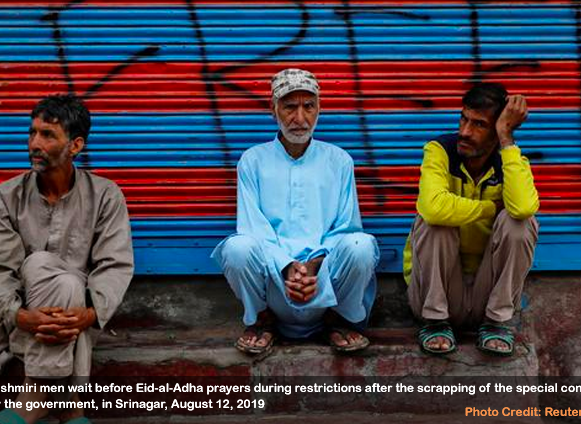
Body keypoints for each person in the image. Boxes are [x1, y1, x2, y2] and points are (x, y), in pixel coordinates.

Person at [0, 94, 133, 424]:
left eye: (48, 135)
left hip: (75, 317)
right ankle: (70, 407)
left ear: (75, 145)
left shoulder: (105, 195)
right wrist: (21, 317)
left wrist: (89, 314)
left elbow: (114, 265)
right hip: (25, 315)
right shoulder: (4, 197)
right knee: (42, 268)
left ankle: (32, 399)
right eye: (32, 133)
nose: (35, 143)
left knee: (66, 281)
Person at [212, 68, 378, 355]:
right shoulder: (253, 161)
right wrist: (288, 268)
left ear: (319, 109)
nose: (300, 119)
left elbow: (345, 228)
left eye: (308, 107)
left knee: (360, 245)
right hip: (275, 284)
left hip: (325, 280)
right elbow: (253, 230)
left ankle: (337, 320)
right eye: (290, 107)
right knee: (237, 248)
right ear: (273, 109)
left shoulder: (339, 161)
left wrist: (311, 267)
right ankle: (262, 320)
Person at [403, 82, 539, 356]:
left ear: (498, 129)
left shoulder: (510, 160)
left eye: (479, 125)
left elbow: (524, 208)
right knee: (434, 223)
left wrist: (507, 139)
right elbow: (432, 207)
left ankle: (498, 322)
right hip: (437, 293)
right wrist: (490, 208)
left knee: (520, 225)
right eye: (464, 119)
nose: (465, 131)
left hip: (486, 296)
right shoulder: (439, 150)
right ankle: (435, 321)